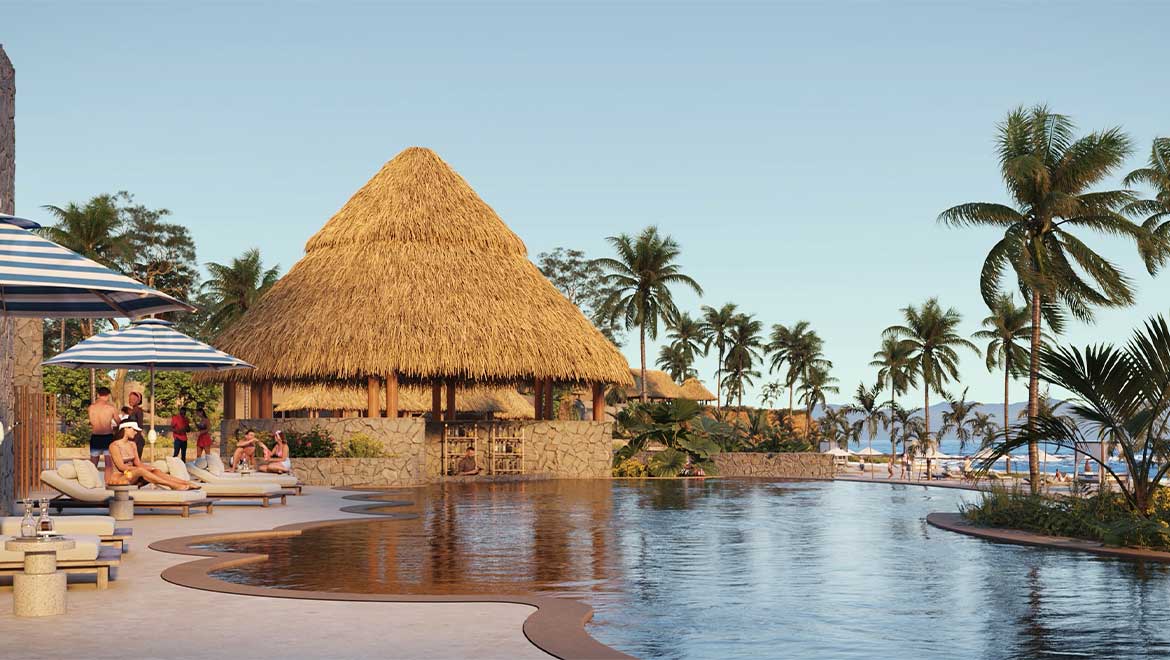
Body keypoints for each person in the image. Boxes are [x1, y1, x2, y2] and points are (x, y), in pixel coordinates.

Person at [105, 421, 198, 490]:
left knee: (155, 470)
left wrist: (150, 468)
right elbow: (121, 467)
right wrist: (143, 470)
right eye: (134, 429)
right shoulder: (114, 445)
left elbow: (137, 463)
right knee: (141, 470)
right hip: (122, 477)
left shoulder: (132, 444)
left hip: (133, 475)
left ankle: (185, 483)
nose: (136, 432)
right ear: (126, 428)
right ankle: (172, 485)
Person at [87, 386, 118, 466]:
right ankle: (108, 479)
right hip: (107, 436)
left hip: (95, 436)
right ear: (108, 396)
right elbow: (118, 422)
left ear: (98, 395)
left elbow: (91, 422)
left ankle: (91, 478)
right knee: (108, 465)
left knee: (93, 465)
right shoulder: (111, 408)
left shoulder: (91, 408)